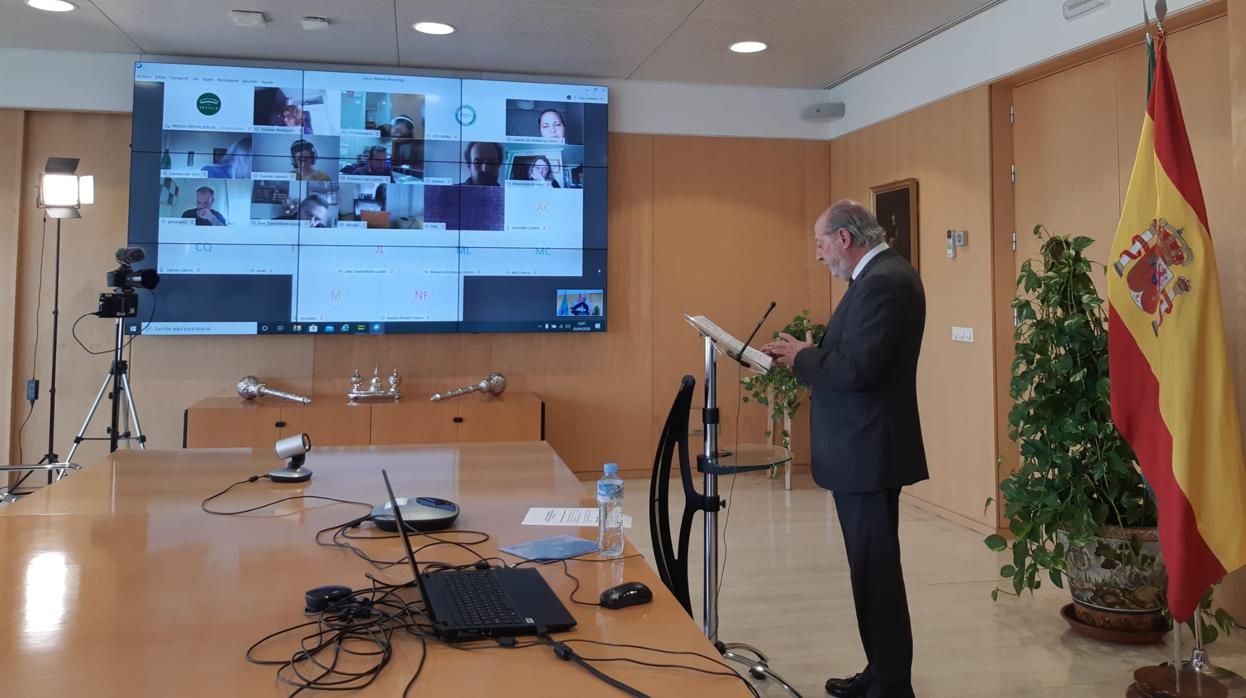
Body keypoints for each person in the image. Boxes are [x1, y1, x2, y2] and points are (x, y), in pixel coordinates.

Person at [762, 200, 926, 698]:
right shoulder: (878, 276)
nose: (818, 255)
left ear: (844, 240)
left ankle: (891, 685)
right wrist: (812, 352)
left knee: (876, 573)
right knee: (869, 571)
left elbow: (858, 371)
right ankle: (879, 674)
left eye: (819, 243)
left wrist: (802, 358)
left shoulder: (883, 281)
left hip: (869, 452)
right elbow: (856, 355)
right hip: (863, 450)